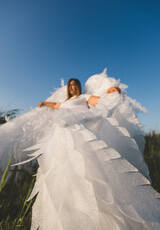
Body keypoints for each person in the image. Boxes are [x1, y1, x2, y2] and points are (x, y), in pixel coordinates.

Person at [0, 72, 160, 230]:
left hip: (78, 128)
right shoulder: (63, 102)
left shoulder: (83, 98)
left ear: (78, 87)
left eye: (74, 84)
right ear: (68, 89)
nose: (72, 86)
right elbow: (55, 105)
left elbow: (98, 101)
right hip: (60, 132)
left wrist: (110, 91)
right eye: (70, 85)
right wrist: (44, 103)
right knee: (61, 168)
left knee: (88, 165)